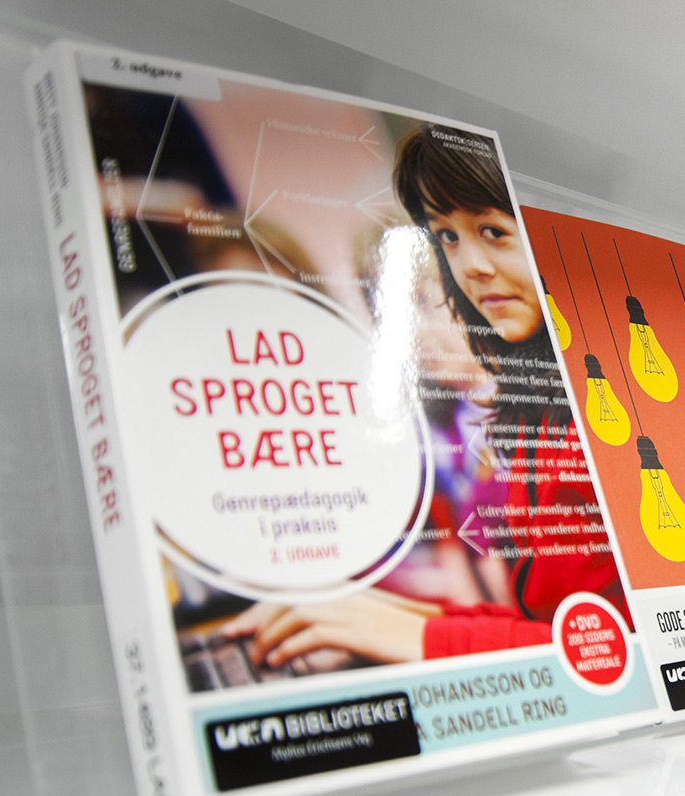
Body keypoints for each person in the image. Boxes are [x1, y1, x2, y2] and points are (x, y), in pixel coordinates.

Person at [225, 123, 624, 672]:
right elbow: (560, 625)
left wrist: (411, 631)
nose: (471, 267)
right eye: (448, 239)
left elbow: (618, 649)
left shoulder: (596, 409)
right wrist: (374, 615)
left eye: (493, 230)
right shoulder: (520, 413)